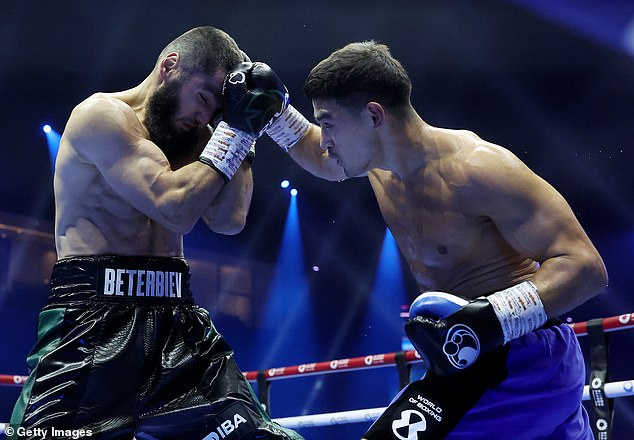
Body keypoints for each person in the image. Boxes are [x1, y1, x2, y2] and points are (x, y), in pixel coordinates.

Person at [251, 41, 608, 438]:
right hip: (470, 358)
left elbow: (586, 267)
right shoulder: (378, 166)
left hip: (523, 359)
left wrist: (493, 317)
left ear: (373, 115)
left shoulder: (478, 168)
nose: (324, 139)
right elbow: (320, 158)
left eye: (329, 122)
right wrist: (274, 113)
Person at [9, 26, 302, 440]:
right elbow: (175, 208)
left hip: (177, 323)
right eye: (203, 99)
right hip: (92, 321)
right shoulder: (102, 116)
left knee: (258, 436)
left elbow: (229, 219)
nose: (205, 117)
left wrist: (242, 128)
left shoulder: (199, 135)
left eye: (217, 110)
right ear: (170, 67)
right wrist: (233, 129)